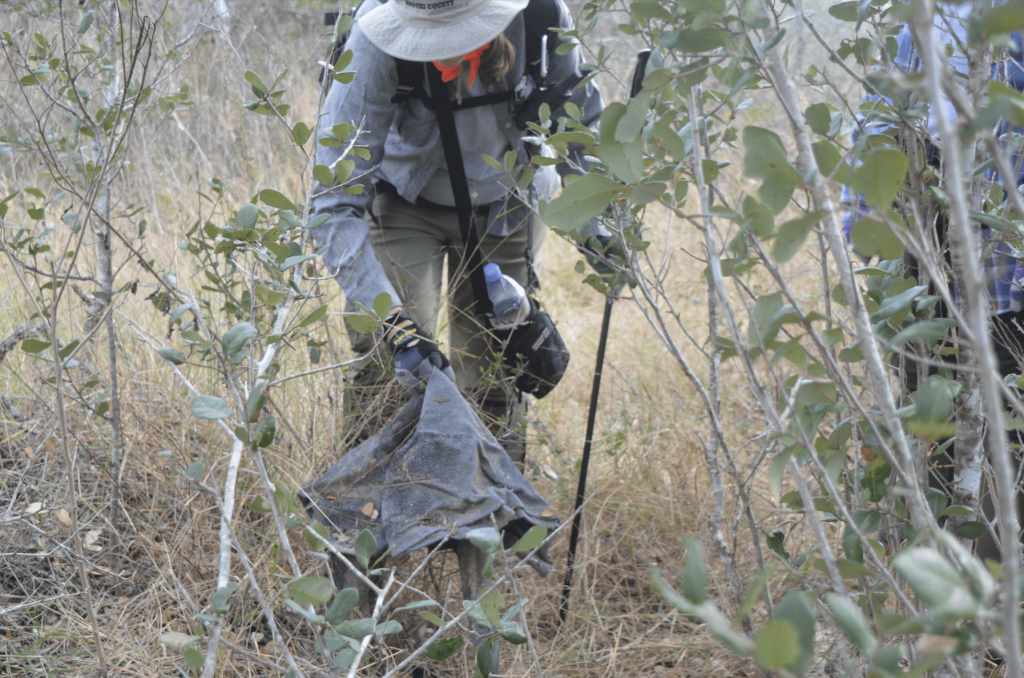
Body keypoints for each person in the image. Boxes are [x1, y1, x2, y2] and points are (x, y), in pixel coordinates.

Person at [310, 0, 606, 464]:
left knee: (493, 372)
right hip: (408, 200)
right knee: (395, 365)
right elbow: (332, 201)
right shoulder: (372, 38)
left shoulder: (541, 16)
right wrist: (391, 324)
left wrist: (600, 226)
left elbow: (581, 126)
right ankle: (367, 513)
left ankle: (496, 519)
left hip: (509, 204)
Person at [842, 7, 1024, 559]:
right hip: (938, 287)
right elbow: (881, 128)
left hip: (990, 291)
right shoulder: (931, 17)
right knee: (949, 473)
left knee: (992, 474)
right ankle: (968, 630)